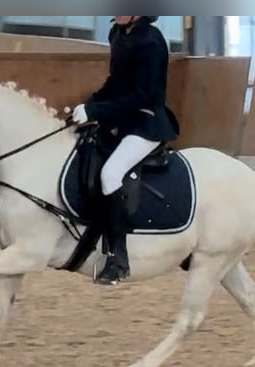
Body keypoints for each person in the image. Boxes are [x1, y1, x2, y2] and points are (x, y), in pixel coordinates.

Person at [71, 16, 180, 285]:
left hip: (146, 122)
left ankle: (118, 260)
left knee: (110, 174)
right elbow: (115, 82)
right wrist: (89, 104)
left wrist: (96, 111)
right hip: (122, 119)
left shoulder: (151, 41)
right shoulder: (118, 34)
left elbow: (143, 95)